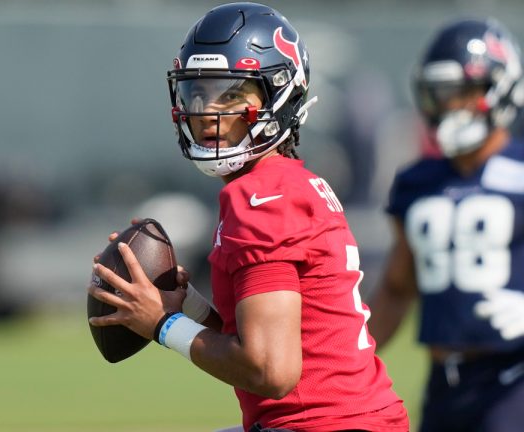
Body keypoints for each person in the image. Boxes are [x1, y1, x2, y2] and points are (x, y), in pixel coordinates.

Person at [88, 3, 409, 431]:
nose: (208, 112)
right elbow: (266, 338)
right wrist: (188, 306)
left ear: (279, 95)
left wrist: (164, 324)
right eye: (197, 93)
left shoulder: (260, 198)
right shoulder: (290, 183)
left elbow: (271, 371)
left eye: (231, 94)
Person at [367, 18, 524, 432]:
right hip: (444, 383)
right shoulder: (418, 181)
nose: (451, 106)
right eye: (441, 93)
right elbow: (398, 287)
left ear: (500, 88)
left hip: (514, 376)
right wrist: (351, 357)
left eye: (463, 92)